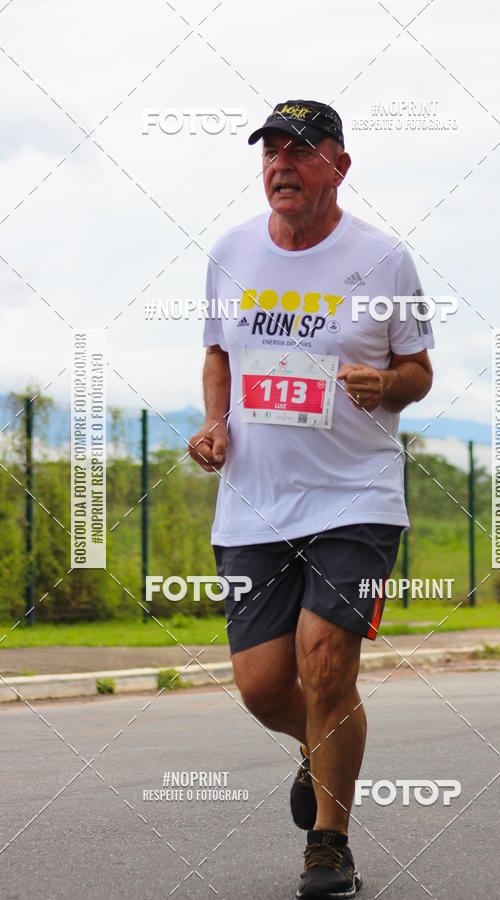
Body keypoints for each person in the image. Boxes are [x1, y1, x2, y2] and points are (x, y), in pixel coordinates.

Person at [189, 99, 434, 899]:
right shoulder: (229, 252)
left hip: (354, 498)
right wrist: (215, 424)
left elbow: (419, 375)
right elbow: (219, 354)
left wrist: (387, 383)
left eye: (300, 151)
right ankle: (319, 747)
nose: (280, 166)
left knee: (326, 666)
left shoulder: (385, 260)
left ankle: (330, 845)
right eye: (270, 152)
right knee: (265, 686)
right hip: (254, 502)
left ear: (339, 164)